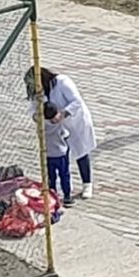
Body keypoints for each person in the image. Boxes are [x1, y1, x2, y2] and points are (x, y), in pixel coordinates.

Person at [24, 67, 98, 201]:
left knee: (81, 152)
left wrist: (62, 114)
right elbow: (32, 109)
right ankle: (58, 190)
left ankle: (87, 183)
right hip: (55, 130)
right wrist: (37, 115)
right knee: (60, 156)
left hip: (74, 122)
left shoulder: (62, 82)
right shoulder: (39, 93)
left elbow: (77, 102)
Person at [34, 93, 73, 205]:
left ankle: (52, 195)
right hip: (60, 153)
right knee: (64, 174)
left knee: (51, 176)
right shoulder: (58, 124)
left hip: (48, 153)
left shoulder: (42, 125)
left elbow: (35, 117)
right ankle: (67, 196)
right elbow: (65, 134)